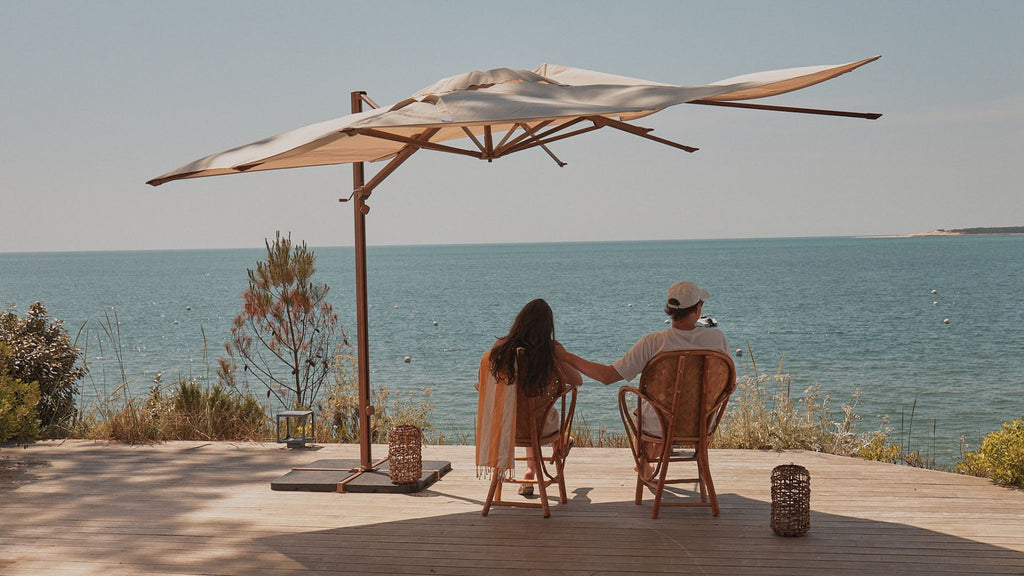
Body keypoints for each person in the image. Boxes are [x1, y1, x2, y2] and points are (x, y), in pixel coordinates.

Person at [562, 281, 728, 475]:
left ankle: (645, 462)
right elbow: (727, 384)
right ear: (698, 308)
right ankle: (650, 460)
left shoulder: (653, 343)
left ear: (669, 310)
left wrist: (567, 357)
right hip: (703, 422)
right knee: (659, 408)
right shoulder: (717, 340)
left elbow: (606, 376)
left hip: (660, 425)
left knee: (646, 410)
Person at [476, 299, 582, 496]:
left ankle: (530, 470)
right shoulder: (550, 351)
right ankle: (562, 441)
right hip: (540, 426)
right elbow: (577, 380)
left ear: (519, 321)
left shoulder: (501, 347)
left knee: (522, 409)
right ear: (548, 326)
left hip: (504, 427)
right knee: (536, 413)